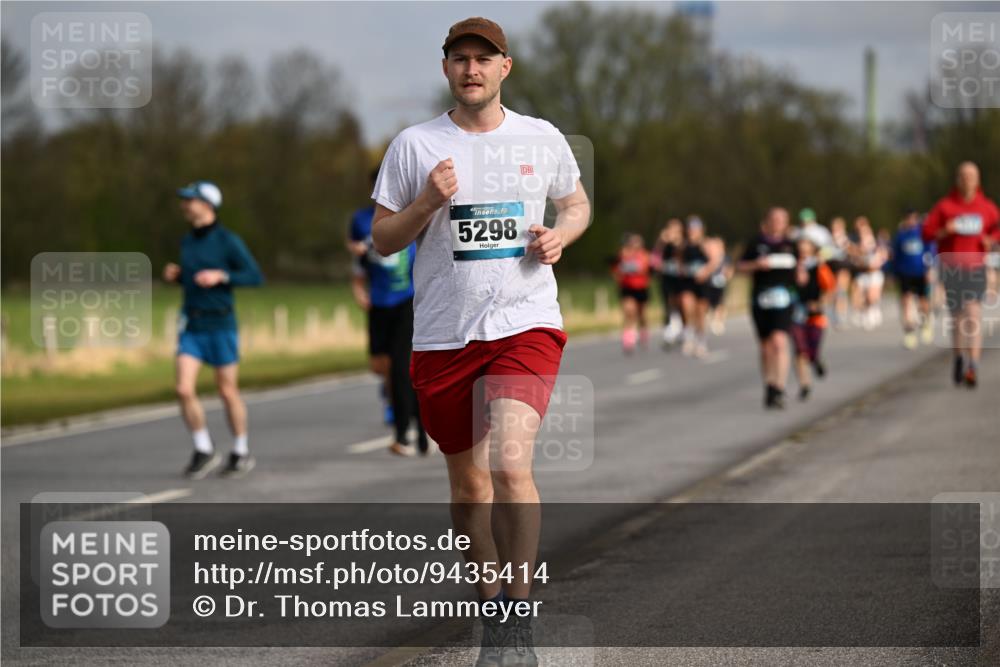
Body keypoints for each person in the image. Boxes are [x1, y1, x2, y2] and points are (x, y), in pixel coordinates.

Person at [370, 17, 590, 666]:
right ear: (446, 69)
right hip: (443, 336)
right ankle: (491, 602)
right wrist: (425, 205)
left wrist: (561, 235)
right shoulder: (414, 146)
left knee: (510, 465)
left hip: (525, 325)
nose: (471, 68)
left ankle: (517, 618)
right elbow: (383, 239)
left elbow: (575, 204)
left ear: (505, 68)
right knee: (470, 489)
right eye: (459, 58)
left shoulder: (541, 137)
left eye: (483, 59)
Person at [163, 181, 263, 479]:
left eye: (190, 200)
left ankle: (241, 451)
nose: (184, 205)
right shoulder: (187, 242)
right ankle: (203, 448)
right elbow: (194, 279)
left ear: (207, 205)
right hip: (192, 324)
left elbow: (255, 276)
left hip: (221, 324)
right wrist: (180, 277)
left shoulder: (227, 240)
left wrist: (222, 275)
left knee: (226, 390)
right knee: (183, 388)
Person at [347, 169, 429, 456]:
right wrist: (358, 287)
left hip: (407, 298)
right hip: (378, 300)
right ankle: (409, 416)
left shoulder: (413, 213)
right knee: (381, 367)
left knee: (401, 367)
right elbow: (357, 259)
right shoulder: (360, 219)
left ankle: (407, 433)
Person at [923, 161, 1000, 388]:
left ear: (977, 180)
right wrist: (945, 230)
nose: (967, 180)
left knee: (974, 315)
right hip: (951, 268)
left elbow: (997, 228)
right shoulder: (945, 206)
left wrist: (992, 240)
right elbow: (927, 233)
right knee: (957, 319)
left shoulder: (986, 207)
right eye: (963, 176)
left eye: (971, 176)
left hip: (976, 267)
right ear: (957, 179)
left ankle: (973, 365)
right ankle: (958, 356)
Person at [737, 207, 798, 409]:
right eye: (775, 219)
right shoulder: (756, 243)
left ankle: (780, 387)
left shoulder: (791, 244)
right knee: (765, 347)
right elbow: (739, 266)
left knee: (779, 342)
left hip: (784, 299)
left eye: (782, 219)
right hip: (761, 298)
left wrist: (802, 275)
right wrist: (756, 265)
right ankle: (769, 385)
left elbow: (801, 268)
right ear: (767, 221)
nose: (778, 223)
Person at [791, 236, 836, 400]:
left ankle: (816, 360)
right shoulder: (791, 266)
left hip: (815, 316)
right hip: (795, 313)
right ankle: (804, 384)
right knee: (799, 350)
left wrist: (820, 303)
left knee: (811, 350)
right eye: (800, 246)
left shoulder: (819, 267)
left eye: (806, 246)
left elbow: (830, 288)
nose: (802, 249)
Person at [677, 216, 721, 357]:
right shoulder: (683, 245)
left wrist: (705, 272)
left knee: (700, 312)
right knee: (686, 304)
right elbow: (679, 260)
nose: (692, 232)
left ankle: (701, 339)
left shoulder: (707, 244)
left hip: (703, 282)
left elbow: (715, 261)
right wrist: (682, 269)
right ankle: (688, 335)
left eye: (695, 229)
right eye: (690, 229)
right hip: (688, 281)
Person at [891, 208, 934, 349]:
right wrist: (893, 273)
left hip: (921, 272)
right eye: (908, 218)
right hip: (905, 273)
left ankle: (925, 323)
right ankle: (909, 332)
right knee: (906, 301)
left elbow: (930, 252)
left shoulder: (923, 234)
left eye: (913, 218)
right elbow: (895, 256)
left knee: (923, 302)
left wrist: (929, 269)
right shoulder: (901, 236)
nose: (911, 221)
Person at [613, 233, 651, 353]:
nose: (635, 245)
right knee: (629, 311)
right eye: (632, 243)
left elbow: (642, 268)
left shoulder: (644, 255)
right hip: (627, 288)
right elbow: (617, 269)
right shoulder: (623, 254)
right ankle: (628, 338)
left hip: (641, 288)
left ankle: (643, 331)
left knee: (641, 314)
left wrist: (628, 266)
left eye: (637, 243)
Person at [850, 217, 888, 330]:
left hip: (874, 273)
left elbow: (883, 255)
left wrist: (877, 262)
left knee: (872, 297)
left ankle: (874, 310)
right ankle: (865, 313)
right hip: (863, 273)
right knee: (859, 295)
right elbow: (855, 258)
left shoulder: (874, 242)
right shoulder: (855, 242)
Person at [652, 218, 685, 346]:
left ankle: (681, 328)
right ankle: (669, 331)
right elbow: (655, 258)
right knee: (667, 303)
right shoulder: (664, 244)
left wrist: (677, 242)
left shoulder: (683, 243)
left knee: (680, 303)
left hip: (681, 279)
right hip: (667, 278)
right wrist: (661, 241)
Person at [827, 217, 853, 329]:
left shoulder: (845, 239)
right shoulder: (828, 238)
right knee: (833, 291)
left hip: (842, 267)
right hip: (831, 267)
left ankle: (841, 315)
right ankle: (834, 313)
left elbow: (851, 251)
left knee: (841, 291)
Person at [704, 236, 732, 336]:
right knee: (710, 301)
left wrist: (727, 276)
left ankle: (718, 320)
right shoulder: (709, 256)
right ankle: (710, 316)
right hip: (711, 282)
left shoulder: (726, 257)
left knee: (720, 301)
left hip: (721, 282)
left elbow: (729, 269)